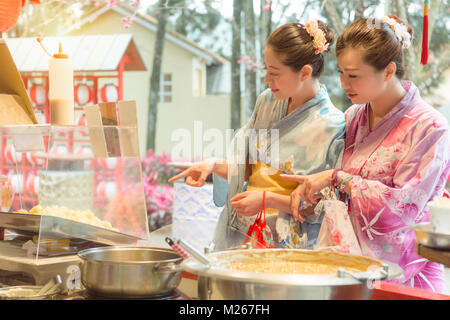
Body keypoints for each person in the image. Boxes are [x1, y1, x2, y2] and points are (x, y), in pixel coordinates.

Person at [282, 16, 450, 293]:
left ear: (388, 71)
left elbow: (402, 208)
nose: (345, 84)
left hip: (409, 273)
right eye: (341, 74)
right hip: (351, 265)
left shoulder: (430, 127)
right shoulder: (353, 117)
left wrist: (338, 179)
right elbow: (340, 195)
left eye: (354, 75)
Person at [169, 21, 345, 251]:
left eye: (274, 73)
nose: (266, 80)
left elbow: (322, 206)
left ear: (305, 72)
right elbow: (248, 168)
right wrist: (211, 166)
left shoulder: (331, 124)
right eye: (266, 70)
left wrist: (267, 199)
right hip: (244, 228)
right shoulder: (268, 101)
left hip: (287, 241)